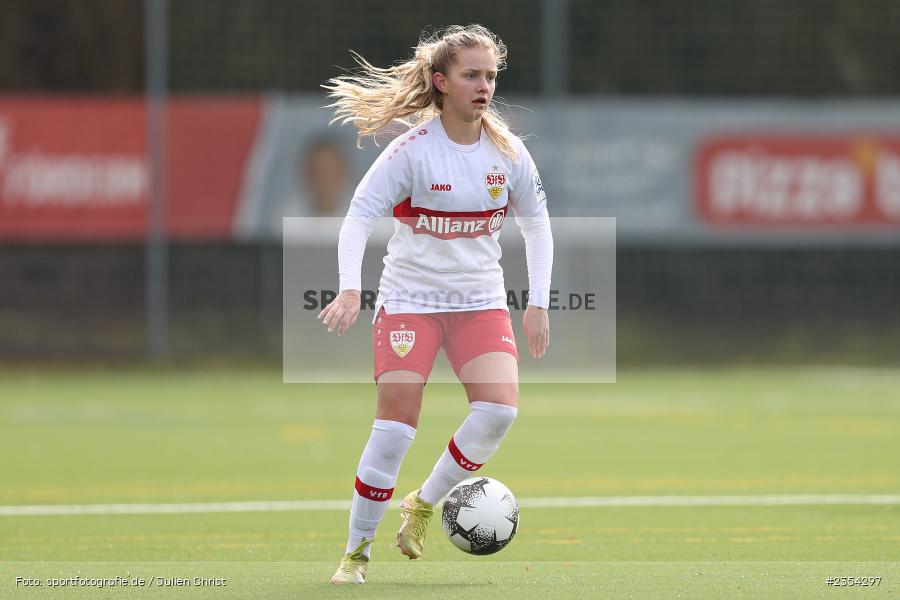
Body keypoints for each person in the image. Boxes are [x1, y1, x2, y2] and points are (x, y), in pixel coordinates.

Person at [318, 24, 553, 585]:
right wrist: (351, 286)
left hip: (480, 303)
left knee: (499, 411)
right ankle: (356, 554)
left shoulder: (509, 153)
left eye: (491, 76)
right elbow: (359, 214)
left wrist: (538, 302)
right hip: (411, 302)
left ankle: (423, 504)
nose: (484, 86)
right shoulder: (412, 152)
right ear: (440, 81)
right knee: (396, 429)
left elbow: (538, 225)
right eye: (472, 75)